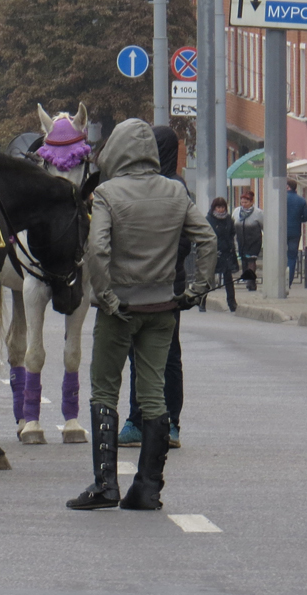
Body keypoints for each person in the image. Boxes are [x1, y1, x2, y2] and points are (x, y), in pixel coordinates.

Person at [67, 119, 215, 512]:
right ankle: (148, 487)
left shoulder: (107, 194)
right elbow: (207, 239)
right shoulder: (175, 192)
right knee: (153, 394)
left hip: (121, 308)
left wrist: (107, 296)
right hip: (163, 305)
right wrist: (195, 290)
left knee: (104, 390)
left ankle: (105, 486)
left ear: (116, 150)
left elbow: (98, 250)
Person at [118, 125, 191, 450]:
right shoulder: (175, 186)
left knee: (149, 353)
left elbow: (187, 240)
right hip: (167, 284)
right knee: (164, 354)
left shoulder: (172, 188)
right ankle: (165, 423)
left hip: (150, 284)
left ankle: (145, 421)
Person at [201, 197, 238, 313]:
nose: (221, 210)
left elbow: (232, 233)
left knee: (228, 279)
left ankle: (232, 302)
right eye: (218, 207)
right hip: (213, 252)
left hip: (226, 251)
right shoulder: (209, 219)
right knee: (208, 278)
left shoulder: (229, 219)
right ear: (214, 208)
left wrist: (231, 246)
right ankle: (202, 301)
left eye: (222, 207)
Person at [235, 191, 262, 291]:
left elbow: (264, 225)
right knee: (244, 261)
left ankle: (251, 282)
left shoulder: (258, 213)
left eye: (246, 202)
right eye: (242, 202)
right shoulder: (237, 212)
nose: (244, 204)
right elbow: (233, 224)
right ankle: (247, 278)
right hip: (241, 240)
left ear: (251, 202)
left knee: (251, 260)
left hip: (254, 241)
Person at [287, 179, 307, 286]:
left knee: (279, 255)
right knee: (292, 257)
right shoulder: (301, 200)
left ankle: (279, 280)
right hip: (295, 232)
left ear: (287, 187)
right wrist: (297, 219)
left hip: (280, 233)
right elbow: (306, 217)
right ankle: (289, 281)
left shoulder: (279, 198)